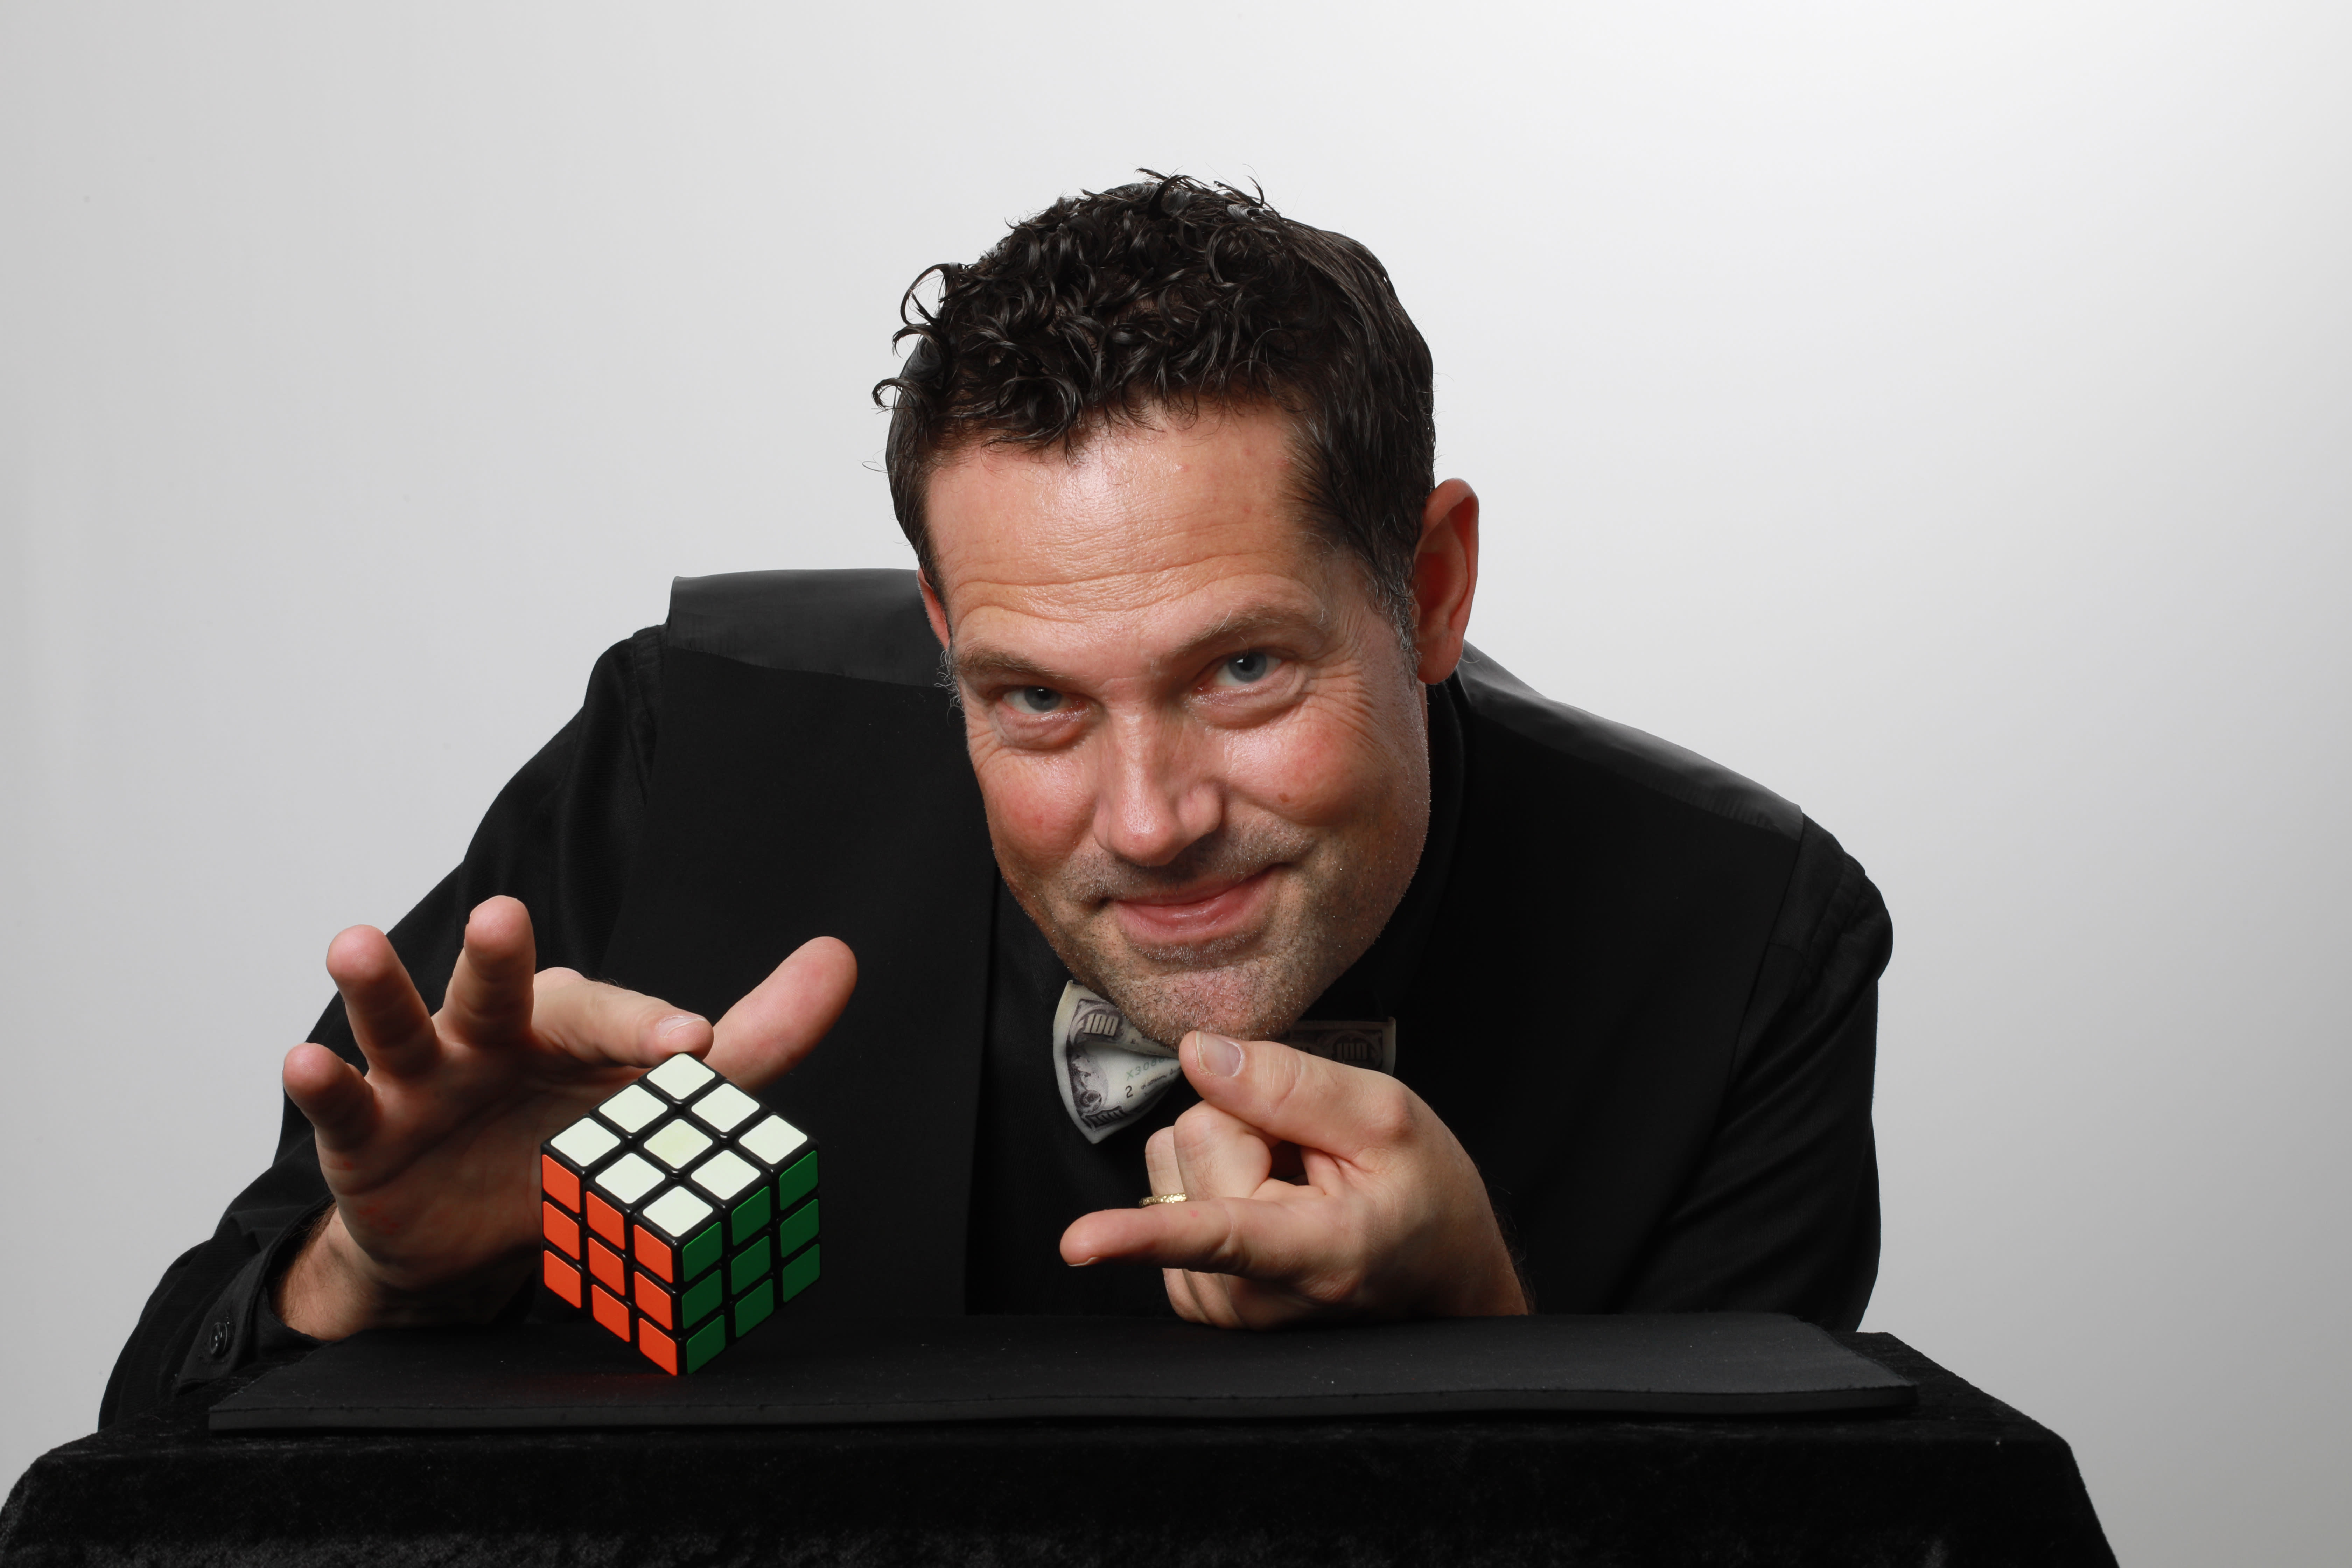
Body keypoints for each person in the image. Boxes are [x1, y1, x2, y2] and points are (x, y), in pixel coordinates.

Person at [103, 174, 1891, 1425]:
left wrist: (1490, 1355)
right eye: (1035, 699)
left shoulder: (1752, 950)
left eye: (1242, 670)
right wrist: (371, 1280)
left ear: (1427, 589)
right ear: (944, 636)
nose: (1150, 820)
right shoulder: (680, 758)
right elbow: (136, 1454)